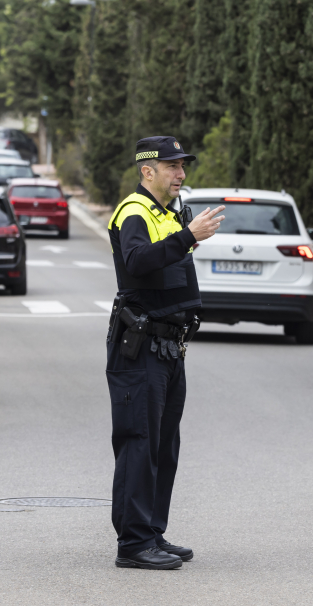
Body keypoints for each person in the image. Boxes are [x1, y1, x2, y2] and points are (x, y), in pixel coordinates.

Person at [105, 136, 225, 570]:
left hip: (168, 347)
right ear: (147, 171)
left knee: (163, 446)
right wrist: (187, 236)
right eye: (172, 166)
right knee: (139, 442)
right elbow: (136, 262)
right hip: (139, 346)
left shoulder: (167, 213)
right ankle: (133, 545)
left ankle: (152, 532)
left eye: (183, 166)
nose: (181, 174)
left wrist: (185, 234)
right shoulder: (134, 211)